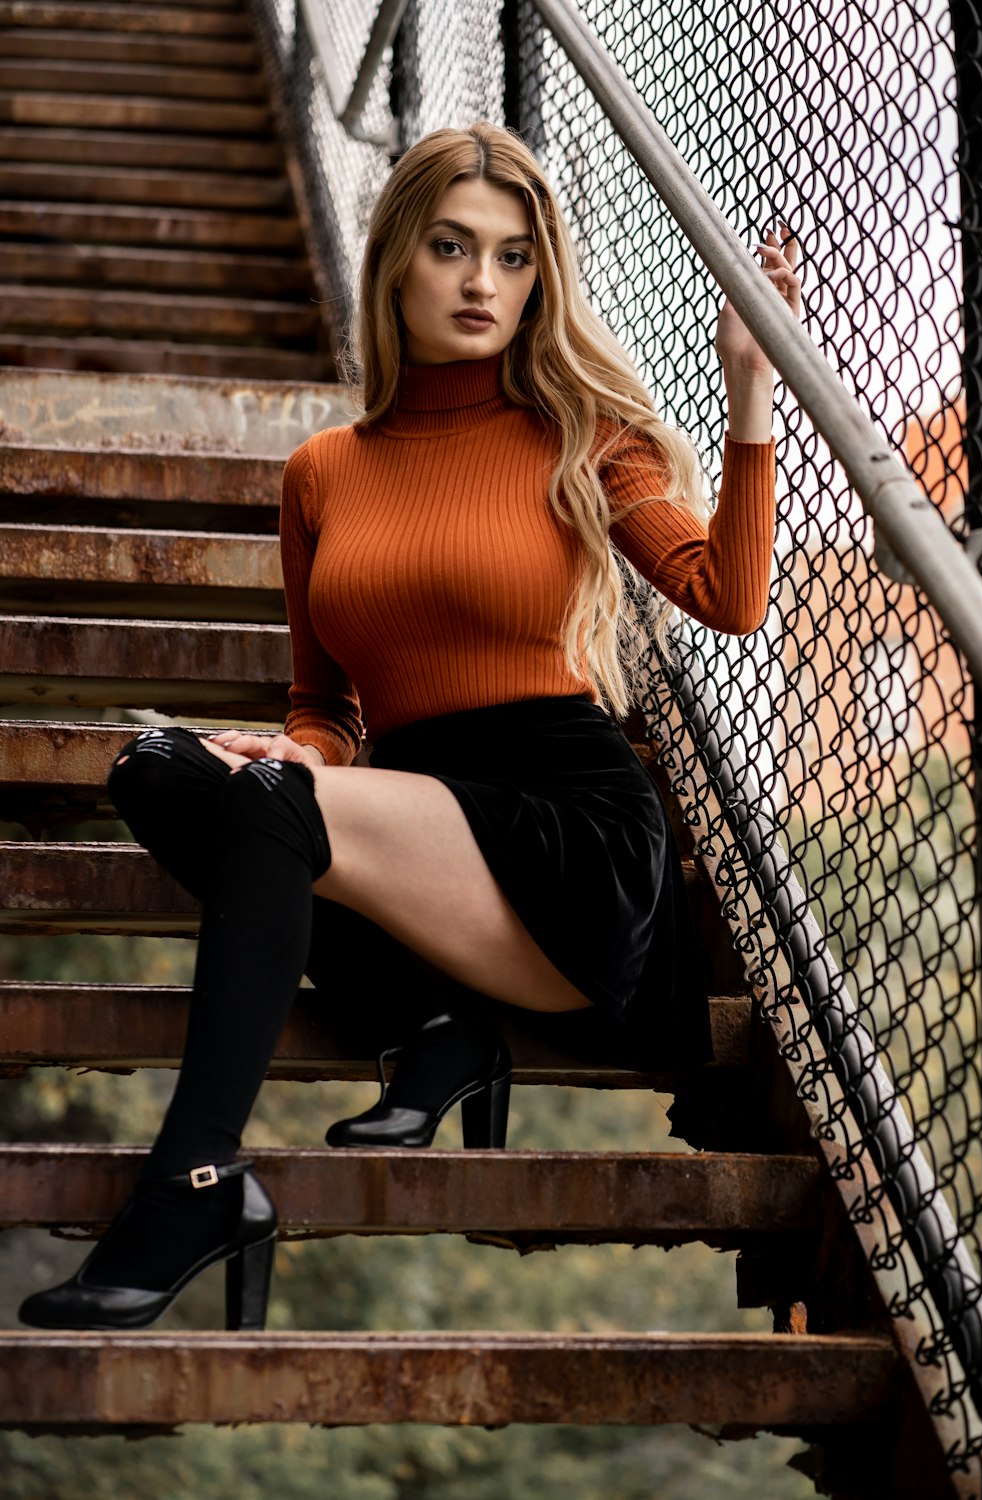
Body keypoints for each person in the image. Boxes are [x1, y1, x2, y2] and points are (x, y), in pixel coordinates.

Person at [19, 122, 799, 1333]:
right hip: (415, 821)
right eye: (452, 248)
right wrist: (309, 751)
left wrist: (752, 394)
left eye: (514, 256)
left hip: (567, 840)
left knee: (270, 807)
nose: (484, 282)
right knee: (161, 767)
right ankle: (432, 1029)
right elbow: (326, 705)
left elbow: (726, 596)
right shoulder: (325, 471)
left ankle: (193, 1185)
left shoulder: (580, 435)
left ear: (542, 279)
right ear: (396, 261)